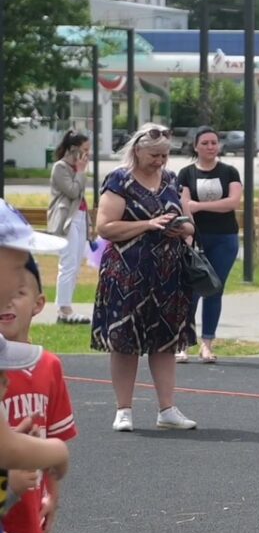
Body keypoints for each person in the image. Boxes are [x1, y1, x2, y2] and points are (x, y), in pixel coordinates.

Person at [92, 123, 198, 432]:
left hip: (168, 273)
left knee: (165, 341)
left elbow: (189, 221)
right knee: (125, 342)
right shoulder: (119, 180)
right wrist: (147, 224)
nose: (161, 161)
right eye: (155, 155)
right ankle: (123, 410)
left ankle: (167, 408)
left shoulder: (171, 179)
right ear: (137, 150)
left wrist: (183, 228)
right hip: (127, 272)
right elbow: (105, 227)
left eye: (165, 155)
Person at [1, 257, 77, 533]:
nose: (7, 303)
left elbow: (57, 437)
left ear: (39, 303)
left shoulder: (48, 366)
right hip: (5, 501)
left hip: (24, 514)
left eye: (18, 293)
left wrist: (52, 492)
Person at [178, 127, 243, 364]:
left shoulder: (229, 171)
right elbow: (184, 205)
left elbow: (233, 201)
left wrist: (201, 206)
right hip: (195, 237)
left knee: (214, 288)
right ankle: (183, 342)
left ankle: (207, 344)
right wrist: (189, 233)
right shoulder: (186, 173)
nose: (210, 146)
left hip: (224, 237)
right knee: (192, 290)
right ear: (195, 146)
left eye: (214, 142)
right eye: (204, 143)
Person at [46, 130, 92, 325]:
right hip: (67, 220)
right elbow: (73, 192)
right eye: (84, 150)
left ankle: (67, 307)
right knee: (68, 264)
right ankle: (64, 309)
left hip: (80, 217)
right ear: (73, 150)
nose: (87, 155)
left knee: (75, 265)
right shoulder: (60, 168)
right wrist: (80, 172)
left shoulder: (75, 169)